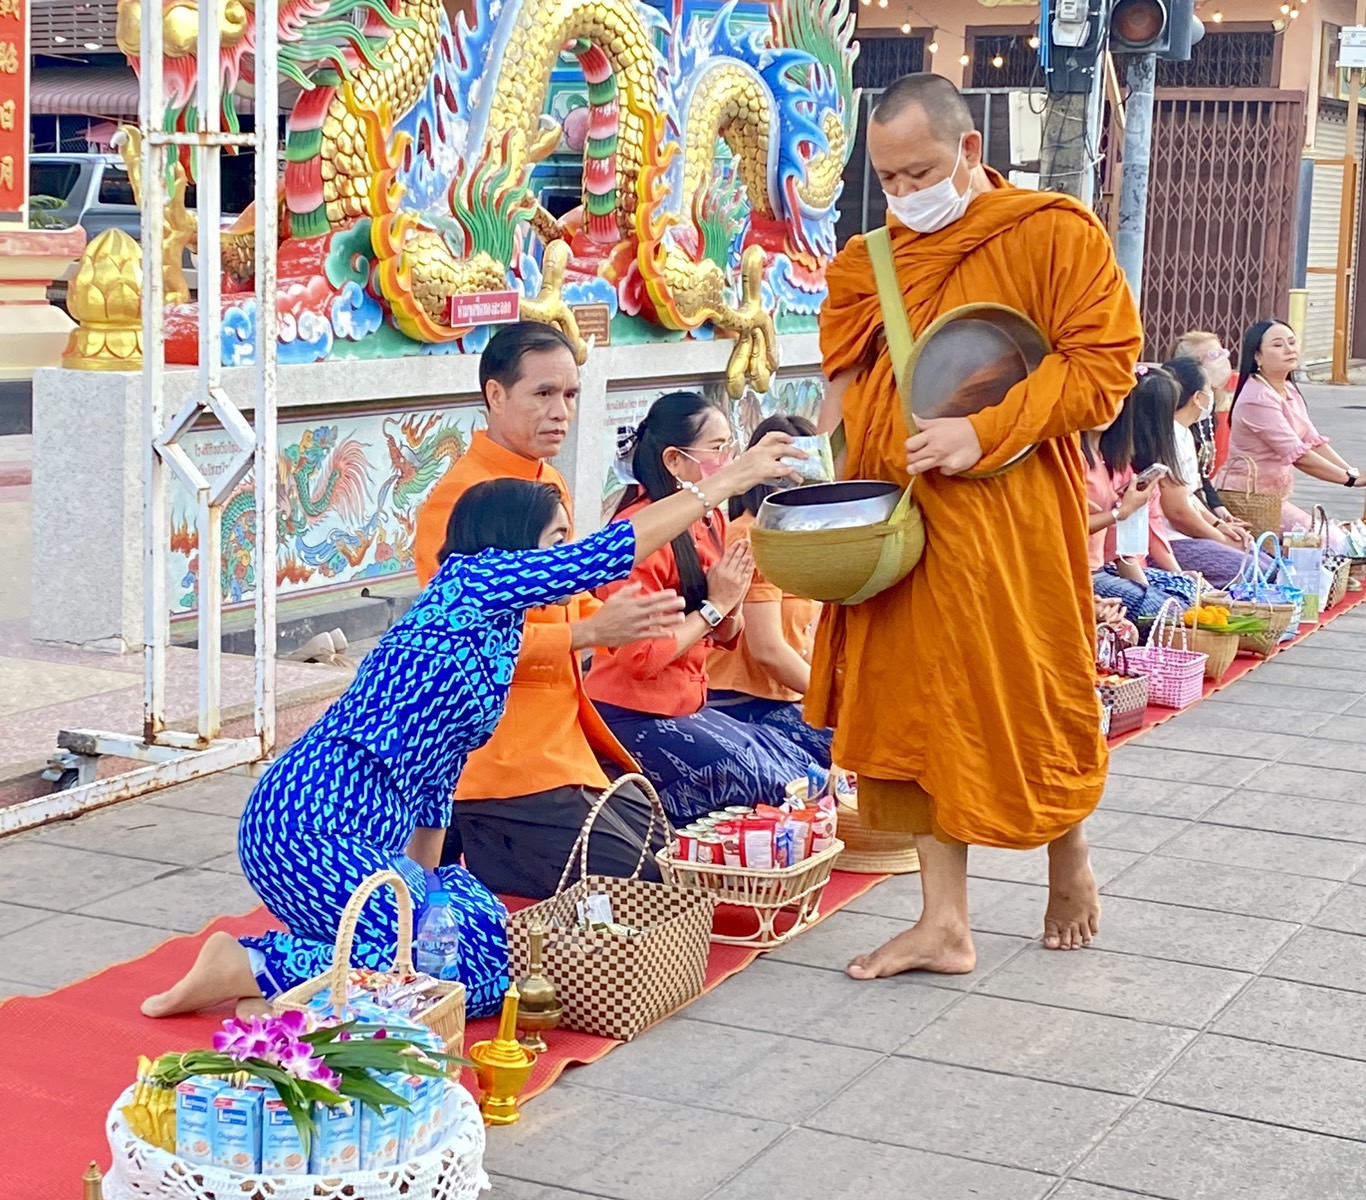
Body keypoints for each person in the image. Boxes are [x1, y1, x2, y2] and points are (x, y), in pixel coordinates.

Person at [139, 437, 802, 1019]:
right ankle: (244, 965)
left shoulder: (498, 633)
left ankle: (289, 994)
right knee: (423, 962)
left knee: (476, 964)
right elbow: (607, 555)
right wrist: (727, 481)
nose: (566, 554)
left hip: (375, 841)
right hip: (308, 820)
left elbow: (438, 780)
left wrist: (425, 887)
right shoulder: (473, 583)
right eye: (555, 540)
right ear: (514, 546)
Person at [810, 73, 1143, 978]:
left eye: (920, 172)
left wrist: (982, 430)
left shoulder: (1049, 234)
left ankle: (1066, 850)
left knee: (1028, 681)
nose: (904, 196)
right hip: (899, 515)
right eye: (887, 179)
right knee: (915, 705)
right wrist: (804, 451)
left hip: (1010, 512)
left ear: (968, 151)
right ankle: (943, 922)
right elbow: (843, 374)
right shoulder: (866, 259)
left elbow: (1106, 367)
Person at [409, 322, 676, 901]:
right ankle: (471, 849)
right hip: (498, 758)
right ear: (495, 395)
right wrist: (588, 630)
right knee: (640, 884)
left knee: (670, 853)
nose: (561, 411)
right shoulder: (459, 499)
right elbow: (456, 646)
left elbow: (570, 589)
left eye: (571, 395)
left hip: (561, 740)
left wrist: (618, 619)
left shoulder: (547, 479)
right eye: (543, 394)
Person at [585, 393, 822, 824]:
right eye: (718, 449)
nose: (728, 460)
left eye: (730, 447)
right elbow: (643, 658)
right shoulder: (636, 533)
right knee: (766, 783)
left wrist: (728, 604)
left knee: (798, 769)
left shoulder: (707, 520)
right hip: (634, 713)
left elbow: (727, 637)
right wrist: (714, 607)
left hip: (688, 702)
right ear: (674, 460)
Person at [707, 414, 834, 768]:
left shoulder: (800, 539)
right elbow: (768, 650)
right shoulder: (750, 537)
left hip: (784, 699)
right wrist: (836, 702)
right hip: (738, 704)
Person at [1217, 320, 1366, 535]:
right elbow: (1299, 455)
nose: (1289, 349)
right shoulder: (1257, 398)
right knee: (1329, 541)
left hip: (1274, 497)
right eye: (1278, 345)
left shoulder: (1288, 389)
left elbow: (1312, 441)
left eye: (1292, 342)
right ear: (1257, 356)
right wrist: (1350, 480)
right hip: (1248, 499)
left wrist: (1350, 472)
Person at [1133, 359, 1252, 589]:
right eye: (1209, 388)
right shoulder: (1170, 436)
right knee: (1251, 569)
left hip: (1179, 536)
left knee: (1257, 559)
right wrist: (1220, 539)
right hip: (1171, 540)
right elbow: (1177, 511)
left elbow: (1189, 497)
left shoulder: (1183, 433)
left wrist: (1219, 526)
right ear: (1197, 397)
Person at [1083, 395, 1189, 622]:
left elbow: (1120, 551)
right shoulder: (1072, 458)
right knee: (1167, 614)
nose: (1106, 404)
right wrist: (1120, 513)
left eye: (1116, 397)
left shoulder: (1107, 459)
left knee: (1186, 597)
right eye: (1098, 395)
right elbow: (1066, 525)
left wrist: (1145, 589)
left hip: (1103, 569)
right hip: (1081, 574)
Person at [1171, 330, 1234, 473]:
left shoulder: (1208, 405)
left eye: (1223, 353)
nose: (1222, 360)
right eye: (1214, 355)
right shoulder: (1180, 411)